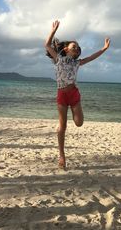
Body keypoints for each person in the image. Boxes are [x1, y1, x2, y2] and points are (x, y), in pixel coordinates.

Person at [44, 20, 111, 169]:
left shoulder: (77, 63)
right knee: (63, 126)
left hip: (74, 95)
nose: (77, 48)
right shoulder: (58, 59)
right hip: (62, 95)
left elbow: (92, 57)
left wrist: (104, 49)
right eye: (74, 46)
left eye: (78, 48)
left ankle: (70, 119)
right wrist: (53, 32)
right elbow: (47, 45)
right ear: (66, 49)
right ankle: (62, 156)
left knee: (79, 123)